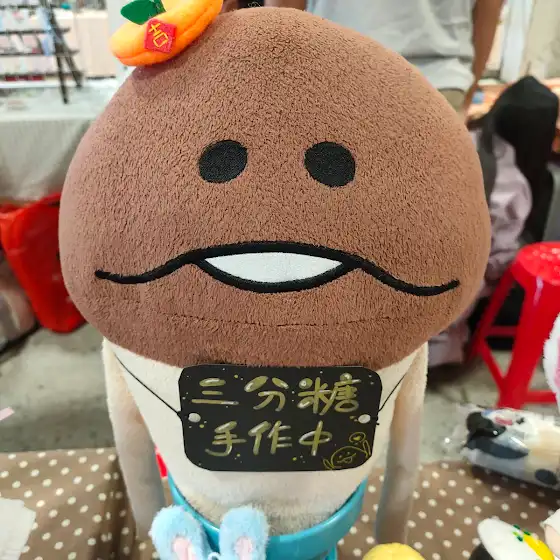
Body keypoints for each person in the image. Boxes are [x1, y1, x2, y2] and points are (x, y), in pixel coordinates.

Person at [265, 0, 504, 115]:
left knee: (324, 195)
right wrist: (467, 89)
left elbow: (283, 10)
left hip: (335, 75)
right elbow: (490, 6)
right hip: (439, 82)